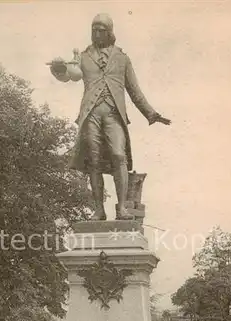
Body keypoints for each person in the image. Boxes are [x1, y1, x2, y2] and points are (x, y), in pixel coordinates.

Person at [49, 13, 171, 220]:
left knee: (118, 155)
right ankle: (99, 210)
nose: (96, 34)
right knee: (94, 162)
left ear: (110, 32)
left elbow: (135, 91)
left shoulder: (122, 59)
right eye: (93, 30)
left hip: (114, 115)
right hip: (91, 116)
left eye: (101, 30)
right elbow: (69, 76)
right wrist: (57, 69)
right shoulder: (84, 56)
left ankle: (121, 208)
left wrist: (151, 114)